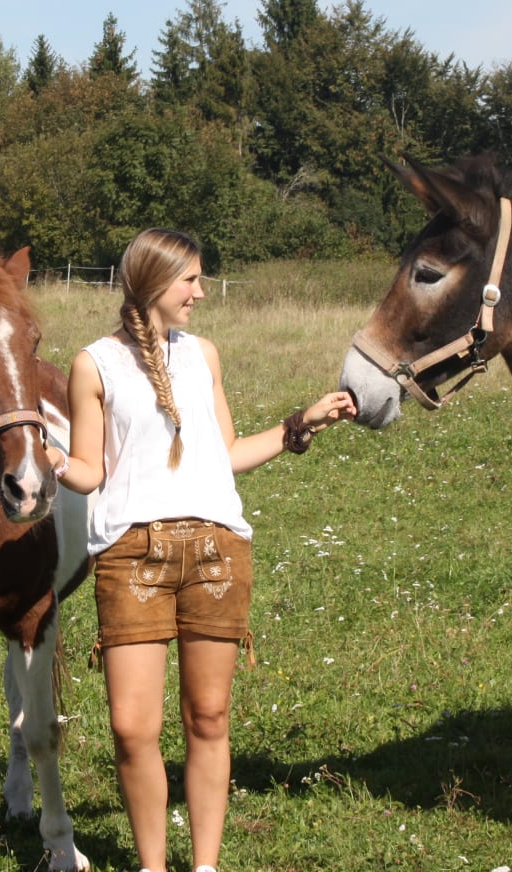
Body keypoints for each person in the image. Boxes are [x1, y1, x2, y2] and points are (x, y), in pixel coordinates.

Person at [53, 228, 356, 872]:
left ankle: (206, 866)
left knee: (210, 717)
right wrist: (44, 457)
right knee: (132, 728)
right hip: (131, 556)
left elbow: (227, 454)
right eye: (190, 279)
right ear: (154, 282)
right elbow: (89, 469)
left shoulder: (203, 356)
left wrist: (301, 423)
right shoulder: (94, 364)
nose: (201, 291)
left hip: (217, 550)